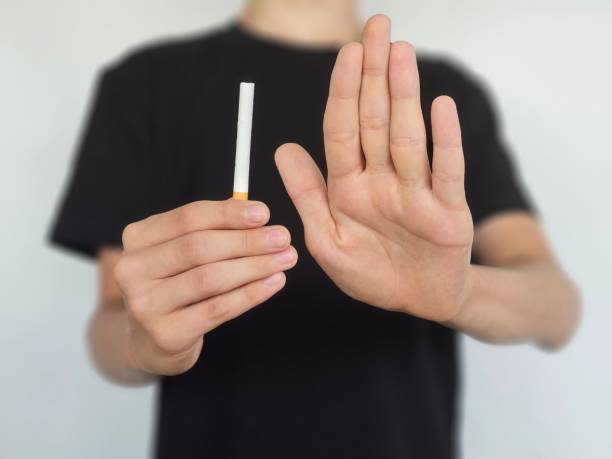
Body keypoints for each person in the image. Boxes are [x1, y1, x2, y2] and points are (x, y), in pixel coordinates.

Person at [50, 1, 581, 458]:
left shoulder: (438, 93)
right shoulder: (146, 85)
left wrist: (460, 293)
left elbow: (556, 309)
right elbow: (110, 326)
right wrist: (147, 342)